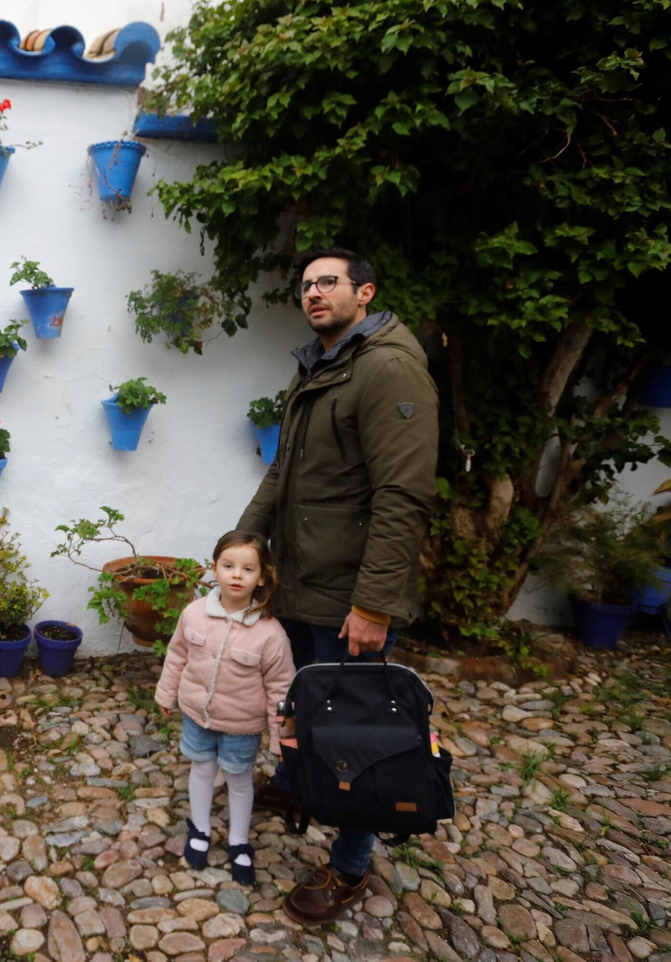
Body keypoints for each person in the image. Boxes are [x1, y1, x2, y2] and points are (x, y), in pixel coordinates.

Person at [238, 248, 438, 923]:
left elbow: (404, 495)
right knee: (299, 698)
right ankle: (297, 784)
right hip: (303, 580)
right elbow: (283, 472)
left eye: (330, 282)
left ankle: (351, 867)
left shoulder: (387, 369)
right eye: (307, 285)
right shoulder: (320, 365)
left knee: (359, 729)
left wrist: (374, 603)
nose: (315, 293)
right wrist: (245, 543)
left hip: (350, 592)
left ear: (366, 292)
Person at [154, 530, 294, 887]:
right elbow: (177, 655)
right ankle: (199, 828)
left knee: (239, 779)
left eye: (247, 569)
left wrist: (281, 738)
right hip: (198, 716)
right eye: (228, 566)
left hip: (241, 726)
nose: (236, 575)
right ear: (214, 568)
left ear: (262, 577)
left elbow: (282, 688)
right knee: (201, 769)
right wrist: (166, 694)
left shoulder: (270, 634)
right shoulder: (194, 613)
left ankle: (238, 840)